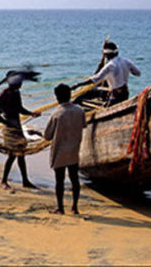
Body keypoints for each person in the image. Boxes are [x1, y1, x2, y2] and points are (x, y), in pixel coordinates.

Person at [0, 74, 41, 190]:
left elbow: (20, 108)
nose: (21, 83)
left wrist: (31, 113)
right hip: (9, 127)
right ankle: (4, 180)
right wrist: (6, 122)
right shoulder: (3, 94)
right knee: (12, 154)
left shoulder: (16, 93)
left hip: (17, 125)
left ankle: (25, 180)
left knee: (21, 153)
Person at [44, 84, 86, 215]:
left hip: (60, 151)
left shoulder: (56, 114)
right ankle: (75, 207)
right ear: (69, 95)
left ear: (57, 97)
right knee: (75, 179)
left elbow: (47, 136)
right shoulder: (80, 110)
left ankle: (60, 208)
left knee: (59, 181)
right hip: (74, 149)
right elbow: (84, 125)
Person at [72, 42, 141, 106]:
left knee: (106, 109)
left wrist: (77, 85)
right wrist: (126, 70)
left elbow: (95, 79)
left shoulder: (110, 65)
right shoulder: (126, 61)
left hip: (116, 96)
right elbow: (138, 73)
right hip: (125, 93)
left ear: (107, 55)